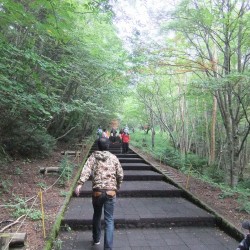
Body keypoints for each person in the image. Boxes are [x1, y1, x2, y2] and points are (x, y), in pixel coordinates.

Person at [75, 145, 124, 250]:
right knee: (109, 220)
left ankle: (96, 239)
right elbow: (120, 174)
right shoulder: (113, 157)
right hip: (111, 192)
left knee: (97, 215)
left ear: (98, 146)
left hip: (97, 192)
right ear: (108, 146)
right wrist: (118, 186)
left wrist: (80, 184)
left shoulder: (94, 156)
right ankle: (108, 248)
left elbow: (86, 169)